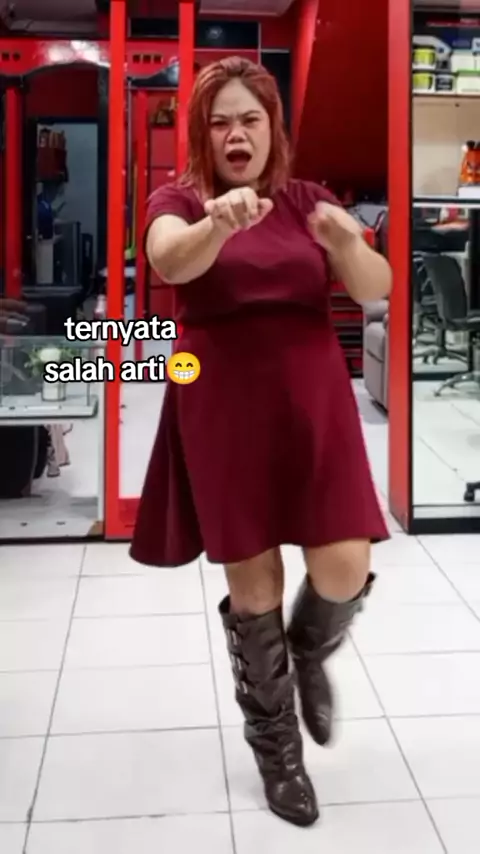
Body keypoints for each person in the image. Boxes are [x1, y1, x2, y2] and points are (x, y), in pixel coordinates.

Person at [130, 56, 391, 827]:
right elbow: (168, 259)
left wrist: (347, 242)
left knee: (344, 567)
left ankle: (307, 650)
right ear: (203, 135)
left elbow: (374, 287)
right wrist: (217, 222)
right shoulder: (181, 199)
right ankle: (278, 753)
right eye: (220, 122)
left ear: (273, 128)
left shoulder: (308, 200)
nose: (235, 133)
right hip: (223, 403)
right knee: (254, 588)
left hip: (313, 402)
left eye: (249, 119)